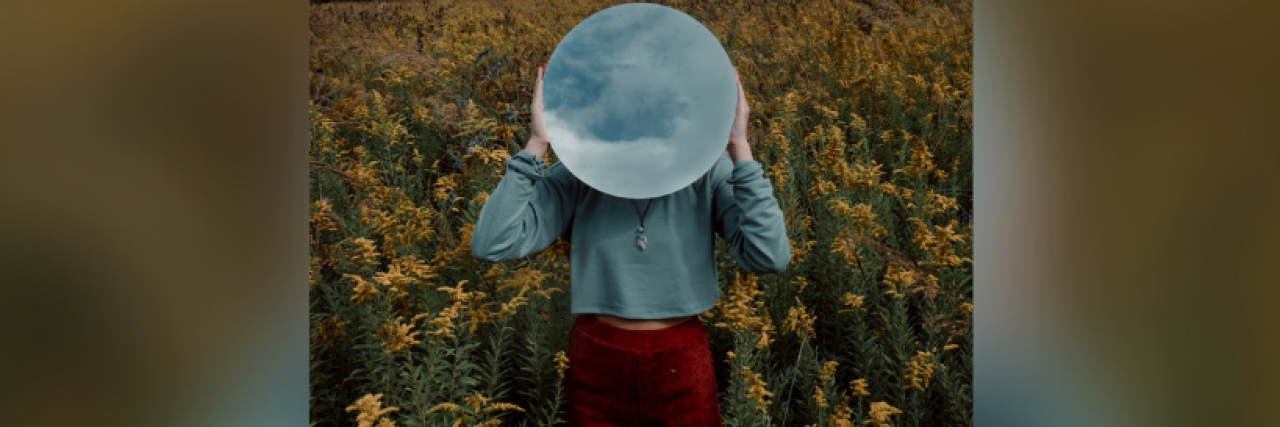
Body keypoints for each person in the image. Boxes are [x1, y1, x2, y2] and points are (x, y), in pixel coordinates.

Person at [470, 64, 789, 426]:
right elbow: (492, 243)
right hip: (596, 362)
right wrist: (536, 145)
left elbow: (769, 255)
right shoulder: (577, 176)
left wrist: (739, 147)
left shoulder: (708, 173)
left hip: (681, 361)